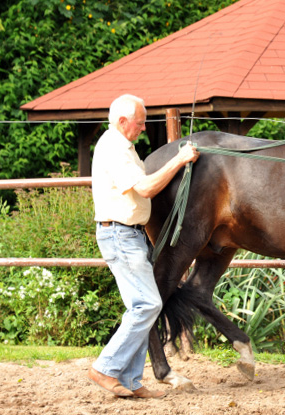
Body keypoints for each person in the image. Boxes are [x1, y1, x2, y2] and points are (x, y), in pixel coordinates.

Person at [88, 94, 199, 399]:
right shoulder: (114, 149)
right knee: (148, 305)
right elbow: (146, 188)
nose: (143, 127)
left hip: (128, 235)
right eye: (140, 122)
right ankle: (106, 368)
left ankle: (132, 381)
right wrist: (180, 159)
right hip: (120, 236)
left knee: (141, 308)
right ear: (123, 121)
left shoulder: (125, 147)